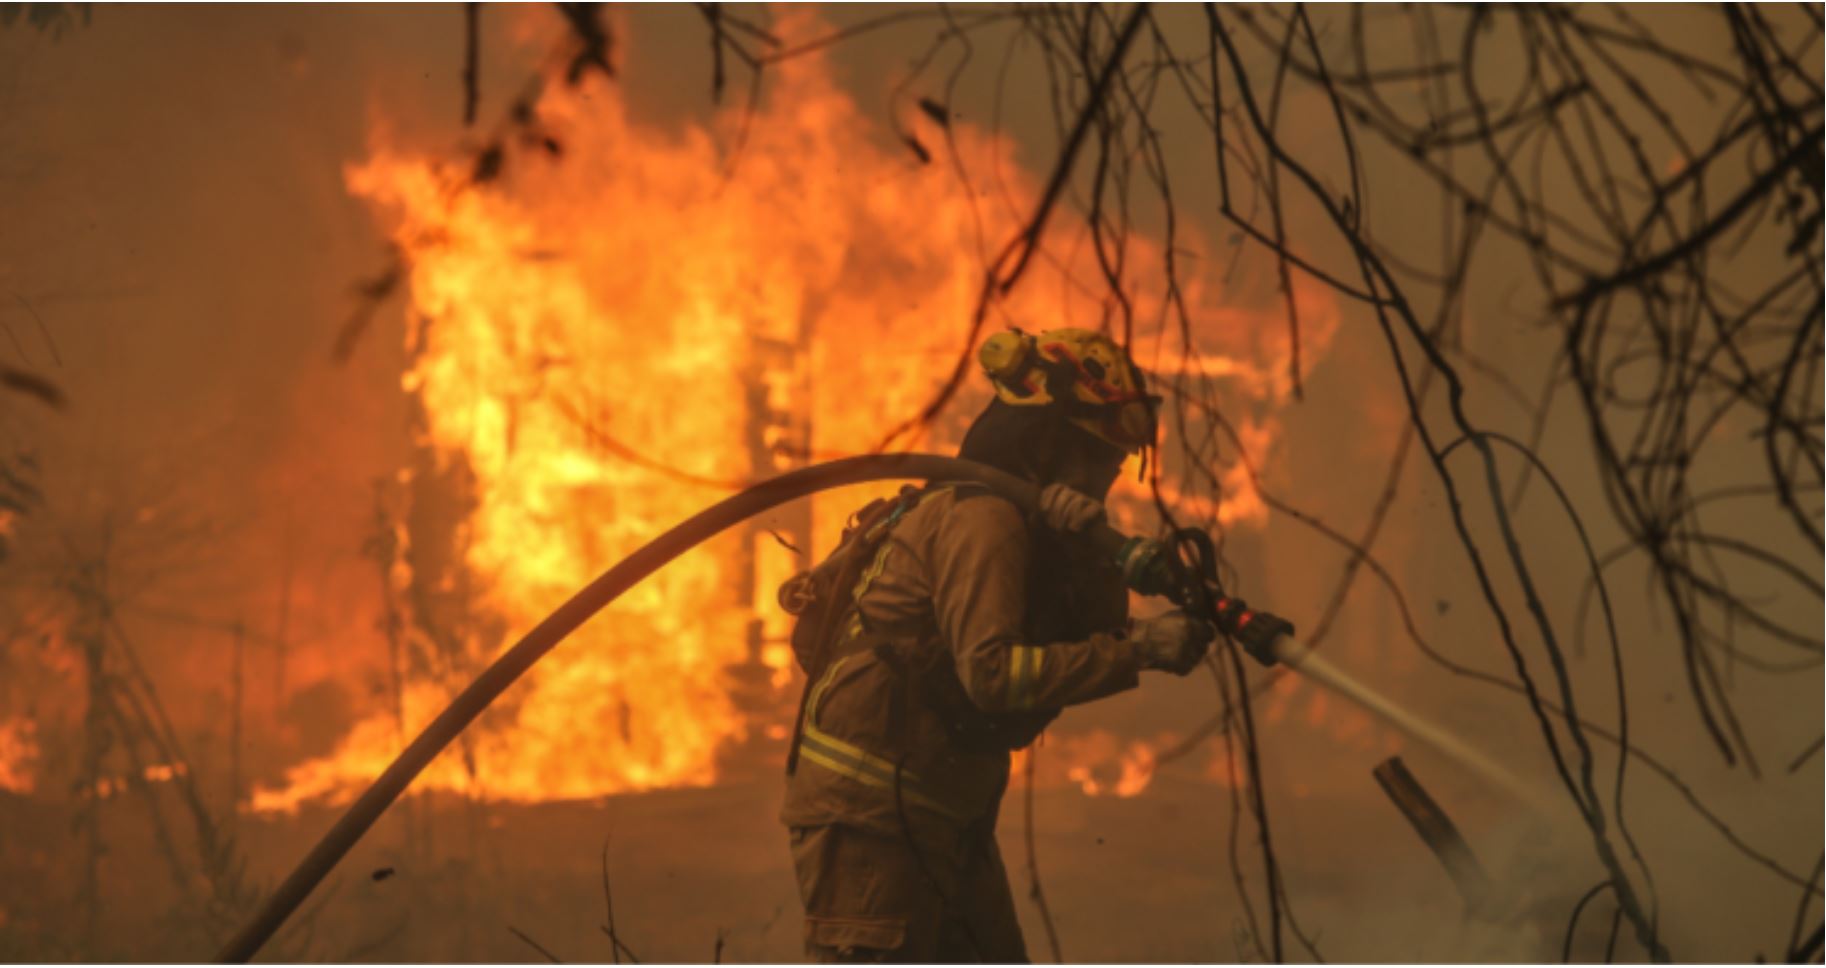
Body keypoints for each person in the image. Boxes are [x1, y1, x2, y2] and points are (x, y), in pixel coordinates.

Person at [778, 327, 1216, 963]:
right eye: (1091, 461)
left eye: (1110, 467)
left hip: (940, 810)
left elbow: (1065, 641)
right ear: (1045, 444)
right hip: (870, 817)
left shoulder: (1027, 530)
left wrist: (1087, 552)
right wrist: (1141, 648)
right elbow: (994, 676)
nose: (1102, 481)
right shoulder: (982, 521)